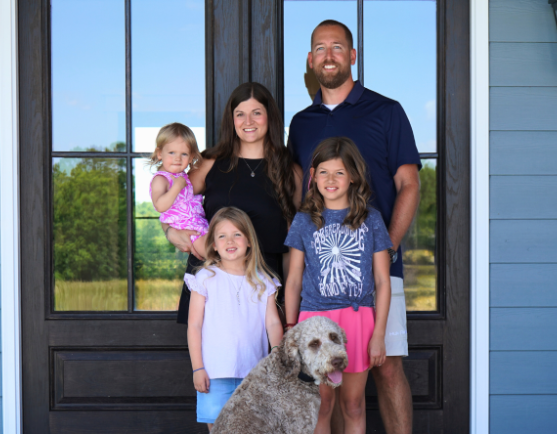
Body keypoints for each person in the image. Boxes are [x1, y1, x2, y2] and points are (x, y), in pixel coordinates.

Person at [287, 19, 421, 434]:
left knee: (387, 366)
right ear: (310, 60)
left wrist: (386, 247)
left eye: (338, 47)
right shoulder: (302, 122)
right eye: (320, 49)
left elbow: (409, 185)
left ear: (353, 56)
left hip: (378, 269)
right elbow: (299, 191)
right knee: (326, 391)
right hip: (322, 284)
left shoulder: (386, 111)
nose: (329, 55)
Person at [164, 82, 303, 323]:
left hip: (264, 292)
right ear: (232, 119)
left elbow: (293, 248)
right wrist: (170, 232)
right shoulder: (210, 162)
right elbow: (172, 205)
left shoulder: (290, 172)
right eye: (240, 114)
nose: (248, 121)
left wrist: (289, 314)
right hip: (212, 285)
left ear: (269, 117)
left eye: (256, 112)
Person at [284, 137, 392, 434]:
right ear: (313, 176)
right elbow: (293, 278)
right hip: (314, 323)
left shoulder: (371, 220)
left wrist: (379, 333)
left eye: (339, 172)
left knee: (354, 404)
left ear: (353, 176)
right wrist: (291, 329)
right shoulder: (304, 220)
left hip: (358, 321)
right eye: (324, 172)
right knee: (321, 405)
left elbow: (383, 281)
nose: (330, 180)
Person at [186, 206, 283, 431]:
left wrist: (278, 360)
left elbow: (273, 323)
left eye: (237, 234)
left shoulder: (263, 281)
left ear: (249, 240)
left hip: (253, 373)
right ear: (213, 245)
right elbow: (194, 325)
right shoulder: (205, 278)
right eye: (222, 236)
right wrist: (197, 368)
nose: (230, 241)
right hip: (214, 373)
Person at [149, 122, 209, 258]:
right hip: (185, 228)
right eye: (171, 152)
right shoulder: (161, 179)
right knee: (213, 255)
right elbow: (160, 205)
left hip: (199, 223)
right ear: (159, 153)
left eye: (184, 154)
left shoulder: (182, 176)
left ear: (191, 157)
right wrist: (176, 187)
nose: (177, 158)